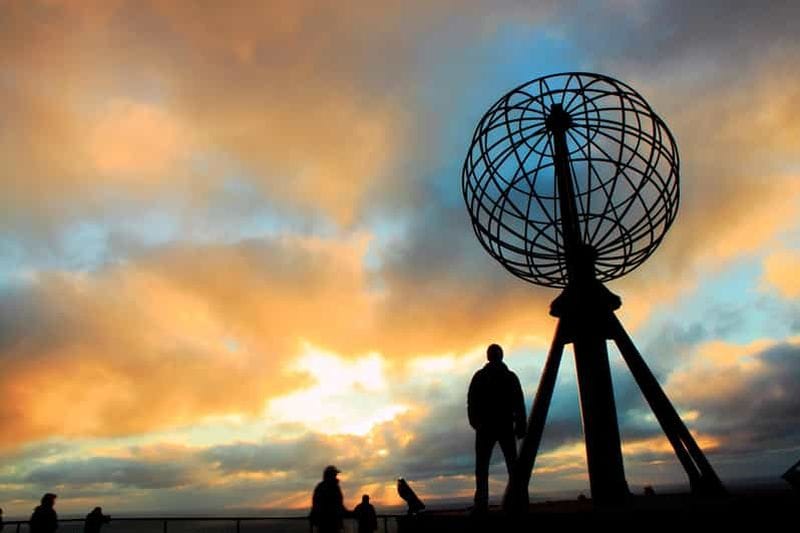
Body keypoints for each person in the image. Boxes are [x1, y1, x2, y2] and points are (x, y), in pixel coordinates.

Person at [467, 344, 526, 511]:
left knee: (484, 467)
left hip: (490, 427)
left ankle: (482, 505)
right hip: (500, 426)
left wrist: (476, 423)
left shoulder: (481, 376)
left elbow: (472, 402)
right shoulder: (509, 377)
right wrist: (521, 425)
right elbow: (519, 403)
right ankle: (518, 502)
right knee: (509, 466)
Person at [309, 465, 348, 533]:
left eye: (335, 474)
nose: (336, 475)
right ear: (330, 475)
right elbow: (337, 505)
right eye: (334, 474)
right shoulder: (331, 488)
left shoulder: (322, 487)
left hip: (328, 524)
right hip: (329, 524)